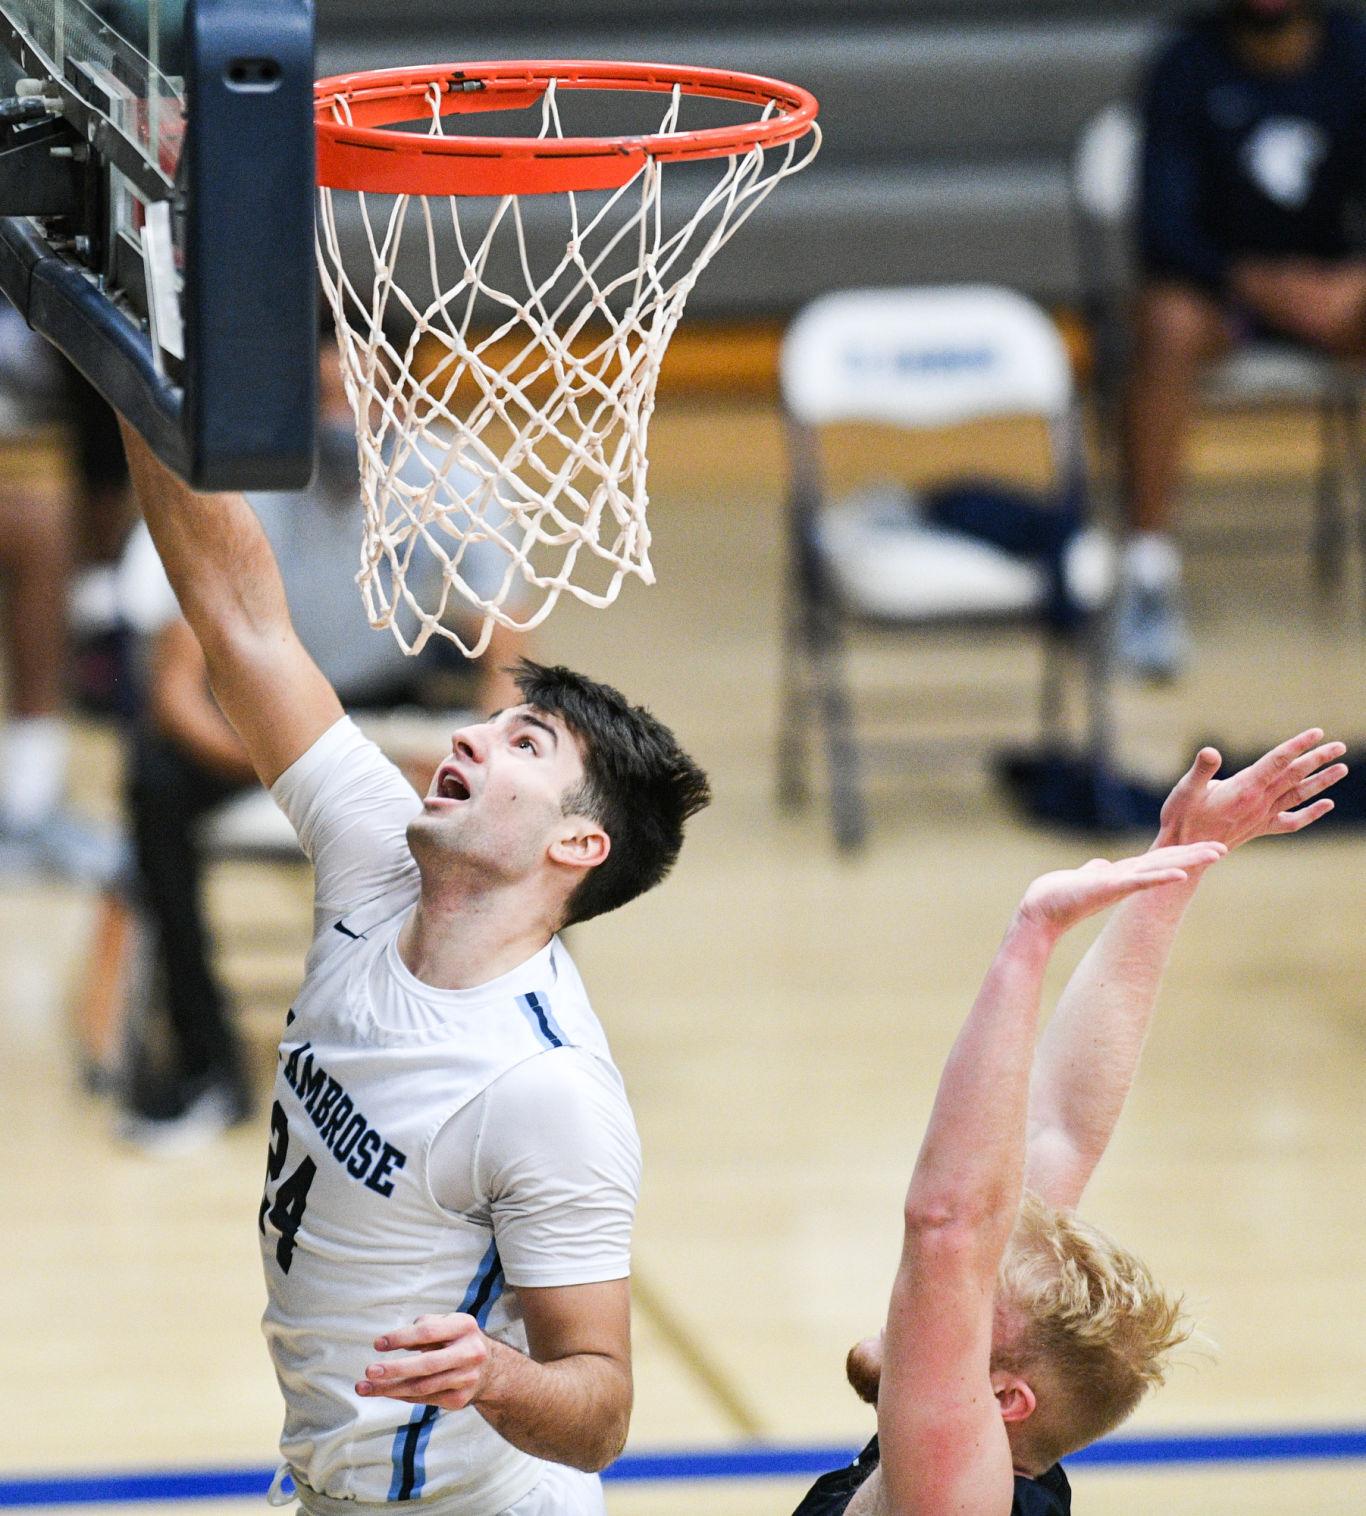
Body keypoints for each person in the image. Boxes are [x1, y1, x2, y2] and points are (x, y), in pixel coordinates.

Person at [119, 420, 710, 1515]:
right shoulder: (373, 857)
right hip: (330, 1486)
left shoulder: (543, 1089)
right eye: (493, 726)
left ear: (577, 845)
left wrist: (499, 1374)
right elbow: (240, 620)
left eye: (524, 746)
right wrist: (142, 381)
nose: (472, 740)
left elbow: (604, 1407)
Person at [794, 727, 1346, 1514]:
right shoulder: (1006, 1451)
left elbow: (947, 1226)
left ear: (1003, 1397)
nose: (935, 1291)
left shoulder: (947, 1500)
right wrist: (1177, 861)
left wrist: (1031, 939)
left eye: (969, 1294)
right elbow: (1057, 1130)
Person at [118, 351, 531, 1149]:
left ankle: (477, 1060)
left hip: (392, 704)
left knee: (525, 798)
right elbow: (176, 697)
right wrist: (306, 771)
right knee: (153, 783)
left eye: (366, 394)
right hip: (260, 723)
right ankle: (204, 1063)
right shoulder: (234, 484)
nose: (345, 414)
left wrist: (477, 768)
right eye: (326, 394)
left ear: (409, 397)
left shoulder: (451, 474)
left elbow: (509, 665)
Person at [1119, 0, 1366, 678]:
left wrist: (1352, 282)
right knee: (1164, 322)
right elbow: (1160, 230)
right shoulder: (1183, 63)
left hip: (1335, 294)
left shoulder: (1355, 51)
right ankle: (1146, 575)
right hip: (1224, 295)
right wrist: (1252, 282)